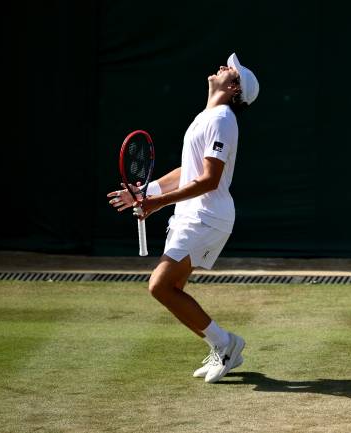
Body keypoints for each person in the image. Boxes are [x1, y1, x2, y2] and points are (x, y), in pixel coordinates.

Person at [106, 53, 259, 384]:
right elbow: (187, 171)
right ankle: (222, 345)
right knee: (171, 288)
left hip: (205, 216)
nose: (221, 67)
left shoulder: (221, 120)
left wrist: (156, 203)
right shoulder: (206, 117)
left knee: (159, 286)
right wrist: (147, 192)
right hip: (191, 214)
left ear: (234, 87)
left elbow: (208, 180)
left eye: (228, 69)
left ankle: (226, 344)